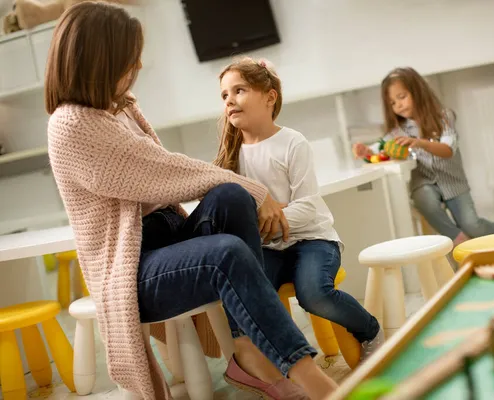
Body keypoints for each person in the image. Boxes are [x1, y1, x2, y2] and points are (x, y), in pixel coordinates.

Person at [45, 3, 337, 399]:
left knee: (230, 196)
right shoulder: (72, 124)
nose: (138, 67)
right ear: (100, 59)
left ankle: (248, 351)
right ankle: (311, 379)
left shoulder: (122, 108)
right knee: (226, 251)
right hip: (132, 269)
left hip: (167, 237)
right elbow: (164, 172)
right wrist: (260, 190)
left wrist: (246, 189)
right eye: (131, 58)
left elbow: (168, 172)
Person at [214, 57, 383, 360]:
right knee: (249, 292)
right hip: (268, 246)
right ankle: (292, 360)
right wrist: (266, 215)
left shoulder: (293, 143)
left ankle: (369, 330)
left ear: (269, 97)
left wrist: (270, 215)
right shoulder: (231, 155)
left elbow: (307, 207)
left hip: (313, 241)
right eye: (225, 95)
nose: (229, 100)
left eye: (239, 90)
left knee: (314, 294)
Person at [352, 67, 494, 246]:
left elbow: (448, 149)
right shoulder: (397, 131)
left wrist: (420, 143)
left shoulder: (443, 117)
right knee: (422, 197)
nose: (399, 106)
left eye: (401, 97)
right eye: (393, 103)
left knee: (472, 225)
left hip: (453, 182)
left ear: (418, 92)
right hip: (424, 182)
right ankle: (457, 239)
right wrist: (366, 152)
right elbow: (381, 148)